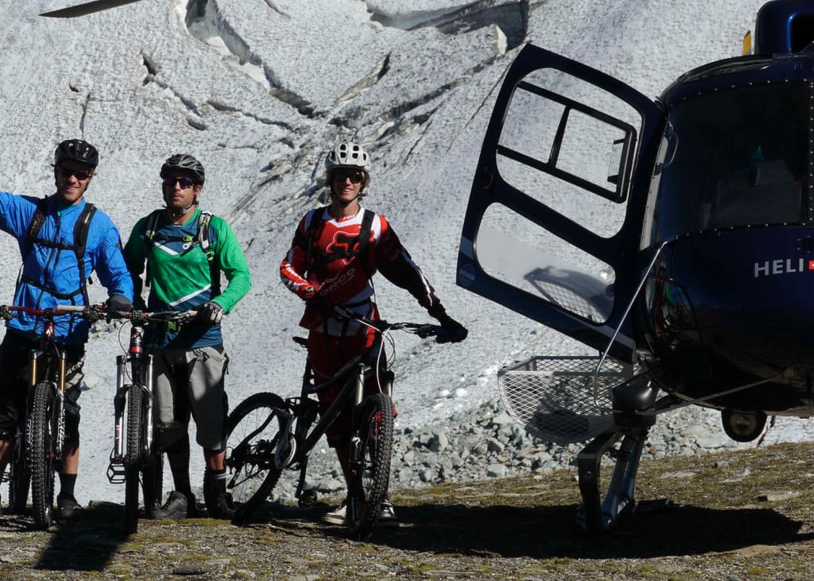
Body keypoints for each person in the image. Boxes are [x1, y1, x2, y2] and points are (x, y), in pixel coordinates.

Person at [280, 141, 467, 527]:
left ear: (363, 182)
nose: (347, 182)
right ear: (330, 180)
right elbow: (288, 268)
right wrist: (310, 293)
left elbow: (409, 272)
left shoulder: (375, 226)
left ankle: (380, 500)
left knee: (376, 415)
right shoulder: (312, 223)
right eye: (340, 176)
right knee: (336, 422)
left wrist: (441, 314)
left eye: (354, 176)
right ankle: (356, 496)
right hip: (322, 333)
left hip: (364, 331)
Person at [0, 139, 134, 519]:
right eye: (67, 171)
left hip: (70, 329)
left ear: (90, 178)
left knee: (69, 413)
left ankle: (67, 496)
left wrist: (121, 297)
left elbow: (119, 274)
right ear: (56, 171)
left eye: (81, 174)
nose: (73, 179)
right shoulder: (31, 212)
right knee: (4, 415)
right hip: (25, 323)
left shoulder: (99, 225)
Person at [123, 154, 251, 520]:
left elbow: (240, 275)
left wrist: (220, 303)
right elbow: (126, 270)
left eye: (185, 183)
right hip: (160, 340)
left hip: (203, 341)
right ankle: (183, 496)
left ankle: (218, 493)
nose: (176, 187)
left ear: (198, 190)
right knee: (167, 425)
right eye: (171, 181)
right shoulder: (148, 227)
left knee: (211, 423)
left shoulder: (214, 228)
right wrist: (133, 303)